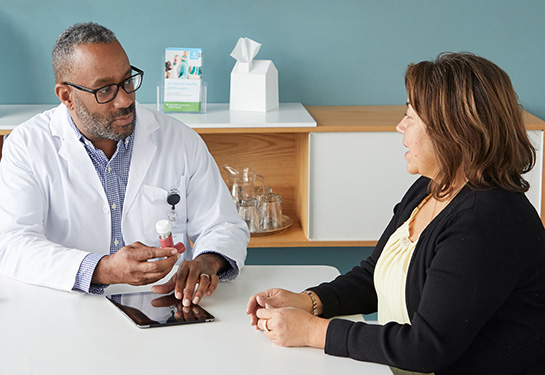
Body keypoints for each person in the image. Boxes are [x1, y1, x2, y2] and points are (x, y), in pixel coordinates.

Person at [247, 52, 545, 374]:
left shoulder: (485, 222)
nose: (399, 126)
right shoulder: (431, 187)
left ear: (453, 131)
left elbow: (425, 347)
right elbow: (375, 274)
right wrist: (310, 301)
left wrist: (311, 331)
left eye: (411, 116)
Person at [0, 22, 250, 307]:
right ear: (67, 96)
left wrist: (208, 261)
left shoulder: (179, 139)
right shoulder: (27, 145)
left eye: (127, 80)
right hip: (68, 305)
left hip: (162, 305)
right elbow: (12, 243)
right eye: (105, 90)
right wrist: (103, 269)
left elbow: (224, 225)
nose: (125, 99)